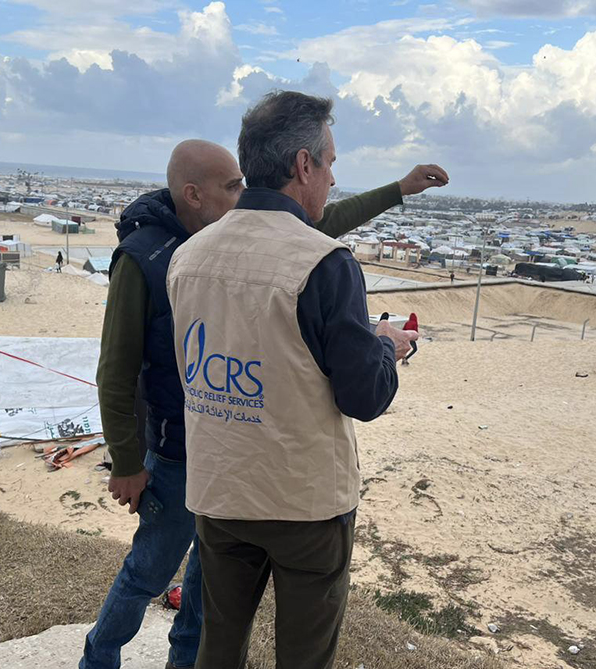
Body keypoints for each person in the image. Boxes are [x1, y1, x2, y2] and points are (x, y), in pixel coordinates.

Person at [82, 138, 447, 669]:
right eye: (232, 187)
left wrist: (399, 189)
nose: (243, 195)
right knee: (149, 572)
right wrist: (128, 462)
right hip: (181, 455)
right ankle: (99, 658)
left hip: (225, 462)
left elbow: (313, 222)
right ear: (193, 194)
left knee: (210, 609)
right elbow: (115, 369)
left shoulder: (210, 246)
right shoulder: (149, 258)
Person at [167, 91, 420, 669]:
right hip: (302, 500)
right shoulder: (325, 261)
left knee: (219, 643)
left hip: (220, 488)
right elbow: (364, 396)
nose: (333, 178)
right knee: (304, 657)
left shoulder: (190, 255)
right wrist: (386, 347)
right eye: (329, 163)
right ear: (303, 165)